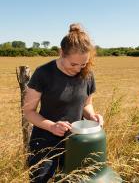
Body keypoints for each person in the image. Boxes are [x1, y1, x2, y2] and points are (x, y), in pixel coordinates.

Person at [23, 23, 103, 183]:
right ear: (61, 53)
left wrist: (93, 116)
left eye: (84, 64)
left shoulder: (87, 74)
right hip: (44, 141)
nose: (79, 69)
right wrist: (52, 126)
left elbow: (86, 104)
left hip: (76, 140)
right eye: (73, 64)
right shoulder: (43, 73)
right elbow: (29, 111)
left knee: (74, 179)